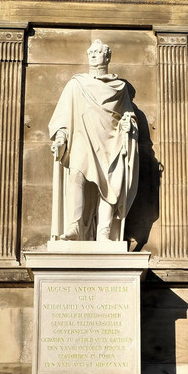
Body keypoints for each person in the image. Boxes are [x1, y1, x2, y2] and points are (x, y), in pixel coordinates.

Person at [48, 40, 139, 242]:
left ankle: (104, 232)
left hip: (110, 140)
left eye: (98, 52)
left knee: (109, 184)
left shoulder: (120, 87)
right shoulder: (76, 85)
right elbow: (63, 116)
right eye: (91, 52)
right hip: (82, 138)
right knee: (76, 176)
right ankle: (74, 226)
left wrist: (129, 126)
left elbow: (128, 115)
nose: (93, 55)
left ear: (107, 57)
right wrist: (61, 137)